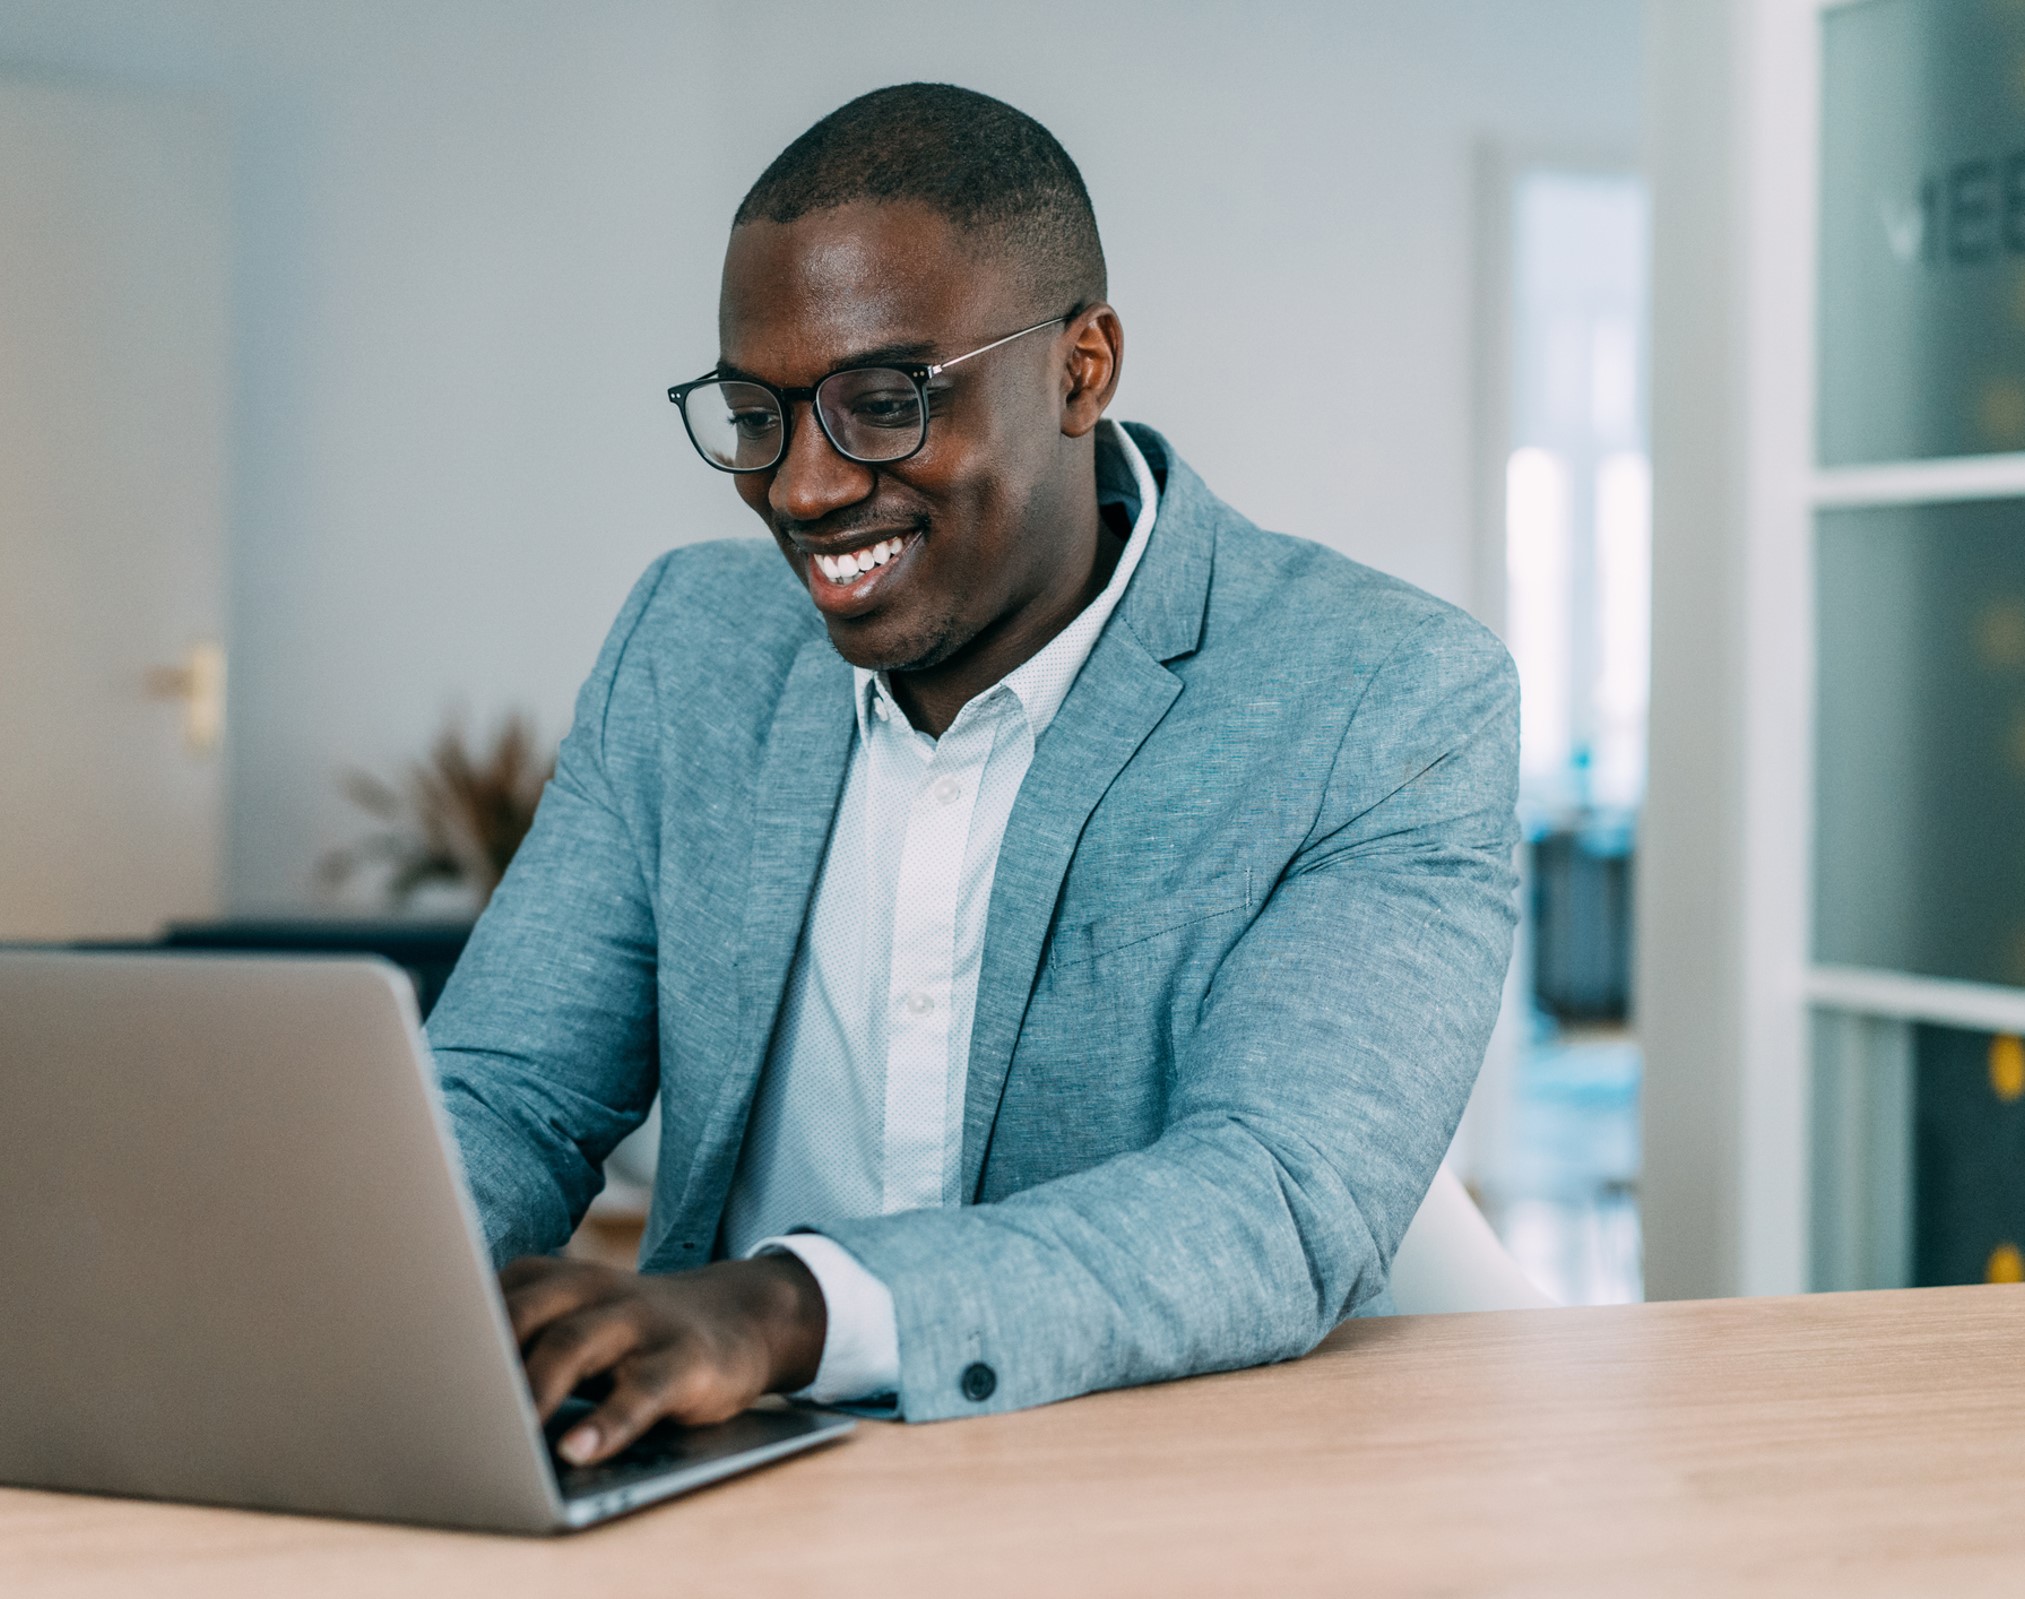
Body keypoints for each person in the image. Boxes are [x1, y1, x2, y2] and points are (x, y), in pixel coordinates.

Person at [428, 82, 1518, 1467]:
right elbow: (508, 1092)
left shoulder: (1380, 694)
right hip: (713, 1478)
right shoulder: (685, 647)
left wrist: (782, 1309)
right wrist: (343, 1310)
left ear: (1080, 368)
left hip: (1139, 1485)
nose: (804, 489)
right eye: (755, 415)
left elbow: (1276, 1197)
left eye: (882, 403)